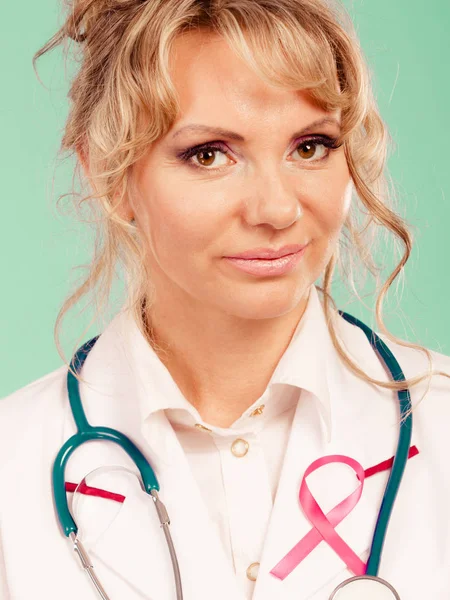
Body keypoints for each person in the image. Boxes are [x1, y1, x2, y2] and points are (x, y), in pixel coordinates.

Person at [1, 0, 449, 598]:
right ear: (108, 172)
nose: (277, 210)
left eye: (311, 145)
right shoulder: (13, 460)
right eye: (209, 153)